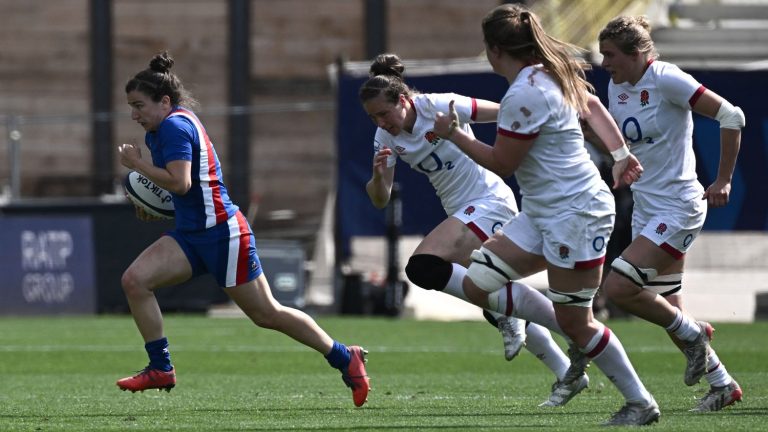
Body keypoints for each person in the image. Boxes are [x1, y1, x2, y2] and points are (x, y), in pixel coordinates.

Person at [432, 4, 659, 426]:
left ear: (495, 49)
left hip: (576, 214)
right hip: (543, 212)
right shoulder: (546, 74)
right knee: (480, 283)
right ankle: (555, 335)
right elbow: (591, 104)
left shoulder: (525, 92)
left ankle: (640, 401)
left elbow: (501, 163)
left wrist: (454, 135)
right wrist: (620, 153)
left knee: (578, 321)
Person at [114, 51, 370, 407]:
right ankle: (161, 366)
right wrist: (153, 206)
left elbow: (182, 183)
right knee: (135, 281)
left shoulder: (173, 126)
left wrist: (137, 166)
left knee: (267, 313)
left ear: (165, 101)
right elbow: (185, 190)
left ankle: (344, 356)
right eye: (131, 106)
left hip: (223, 234)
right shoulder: (161, 127)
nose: (134, 114)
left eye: (139, 105)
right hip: (192, 233)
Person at [359, 53, 590, 407]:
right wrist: (377, 177)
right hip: (463, 212)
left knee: (423, 266)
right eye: (373, 116)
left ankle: (536, 323)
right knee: (497, 295)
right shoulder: (384, 138)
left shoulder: (437, 106)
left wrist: (544, 119)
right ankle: (566, 372)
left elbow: (500, 110)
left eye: (384, 113)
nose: (381, 121)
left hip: (490, 200)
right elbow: (380, 199)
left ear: (403, 101)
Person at [597, 16, 744, 412]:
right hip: (647, 206)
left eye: (610, 54)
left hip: (679, 205)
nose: (604, 61)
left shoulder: (666, 78)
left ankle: (696, 334)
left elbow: (733, 116)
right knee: (668, 307)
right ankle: (722, 384)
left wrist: (724, 180)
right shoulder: (617, 85)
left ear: (638, 54)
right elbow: (629, 140)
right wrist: (619, 159)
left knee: (619, 289)